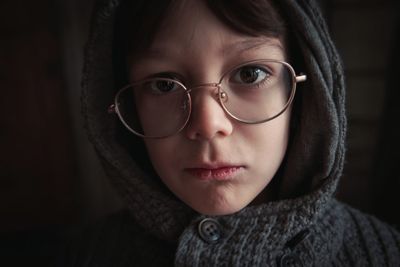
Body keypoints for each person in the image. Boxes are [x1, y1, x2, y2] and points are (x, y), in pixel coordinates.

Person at [62, 0, 400, 266]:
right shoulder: (87, 256)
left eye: (250, 74)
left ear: (304, 92)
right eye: (164, 84)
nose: (208, 125)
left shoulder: (385, 254)